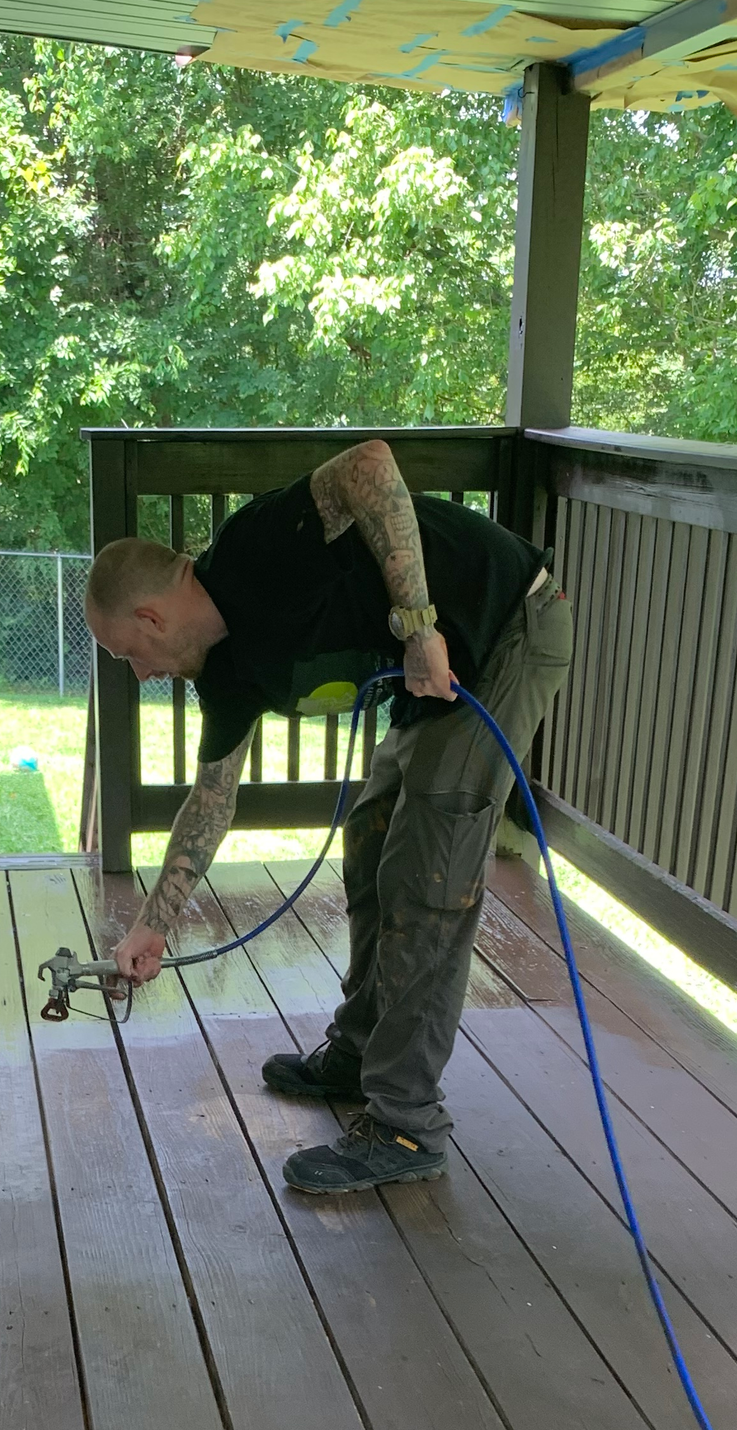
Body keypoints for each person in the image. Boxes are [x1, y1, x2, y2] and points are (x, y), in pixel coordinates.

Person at [86, 439, 572, 1194]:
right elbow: (212, 798)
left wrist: (418, 628)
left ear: (151, 616)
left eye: (130, 655)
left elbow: (370, 466)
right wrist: (154, 921)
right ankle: (361, 1050)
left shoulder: (256, 549)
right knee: (374, 834)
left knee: (428, 870)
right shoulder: (229, 672)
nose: (142, 673)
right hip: (439, 673)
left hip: (506, 628)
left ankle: (407, 1124)